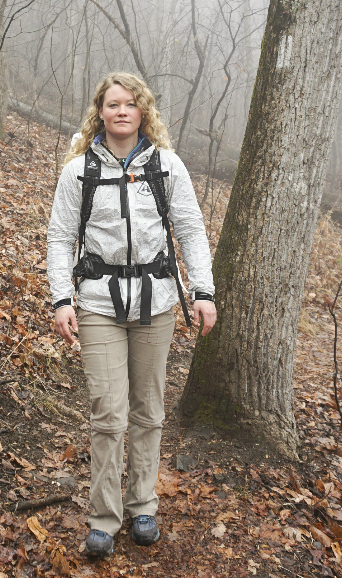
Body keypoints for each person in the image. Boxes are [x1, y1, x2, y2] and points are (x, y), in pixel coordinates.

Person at [46, 72, 217, 557]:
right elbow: (60, 238)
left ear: (144, 112)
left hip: (157, 302)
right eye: (112, 104)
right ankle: (103, 517)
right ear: (99, 111)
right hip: (98, 304)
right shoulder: (78, 170)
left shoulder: (166, 167)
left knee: (148, 411)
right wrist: (62, 299)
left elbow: (191, 229)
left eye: (130, 104)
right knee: (108, 413)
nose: (121, 111)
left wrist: (202, 291)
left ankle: (143, 506)